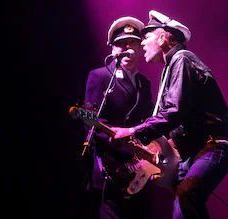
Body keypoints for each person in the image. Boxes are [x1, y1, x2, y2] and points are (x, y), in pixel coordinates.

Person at [112, 10, 228, 219]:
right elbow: (173, 117)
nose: (142, 43)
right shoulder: (172, 66)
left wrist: (133, 131)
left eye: (146, 37)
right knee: (182, 212)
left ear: (162, 39)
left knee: (188, 196)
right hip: (192, 152)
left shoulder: (182, 60)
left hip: (213, 146)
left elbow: (173, 112)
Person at [83, 16, 154, 219]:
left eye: (132, 43)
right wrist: (123, 148)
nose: (127, 48)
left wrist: (145, 152)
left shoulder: (144, 83)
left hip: (139, 169)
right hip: (111, 167)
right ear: (112, 49)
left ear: (140, 48)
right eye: (121, 44)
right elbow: (92, 122)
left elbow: (149, 121)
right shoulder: (100, 76)